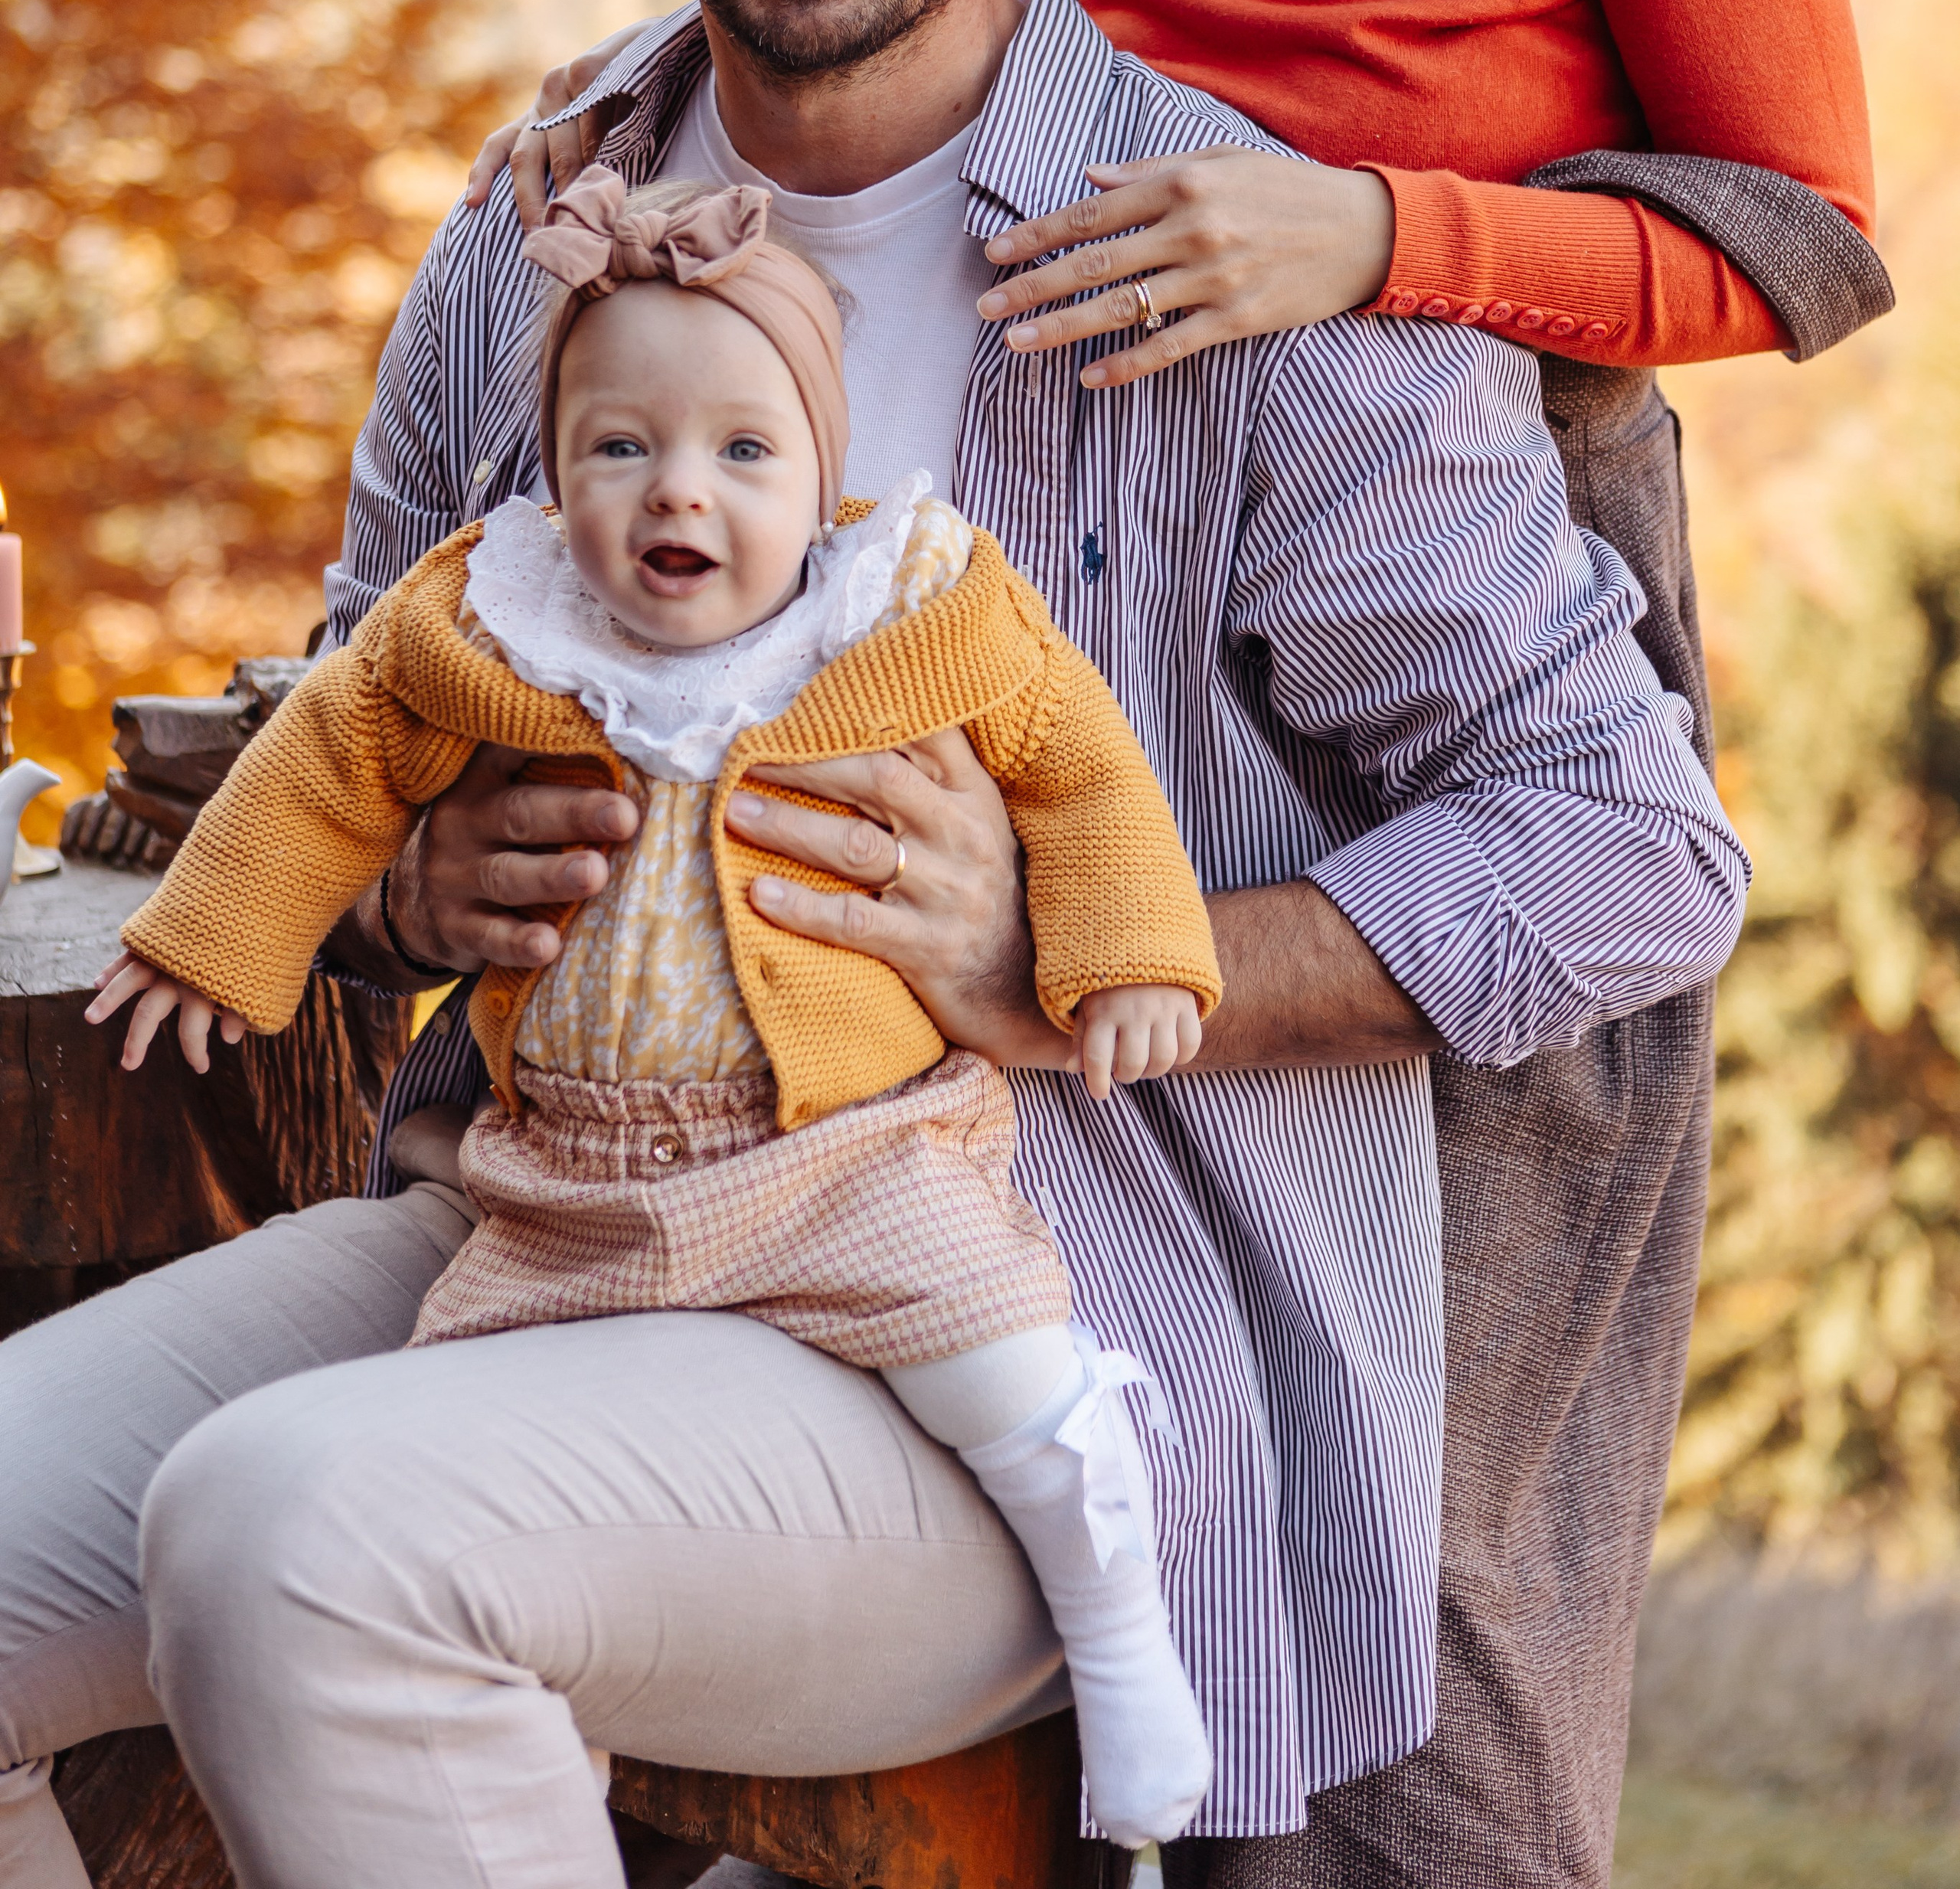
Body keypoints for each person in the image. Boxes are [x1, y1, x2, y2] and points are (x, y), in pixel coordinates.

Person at [0, 0, 1744, 1889]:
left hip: (1014, 1330)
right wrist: (414, 875)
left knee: (299, 1539)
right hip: (544, 1226)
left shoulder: (1219, 254)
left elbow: (1632, 847)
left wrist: (1082, 964)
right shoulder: (536, 240)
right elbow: (354, 704)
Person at [484, 0, 1892, 1888]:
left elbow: (1816, 244)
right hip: (1140, 680)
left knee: (1433, 1600)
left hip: (1475, 664)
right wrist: (637, 135)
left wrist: (1379, 232)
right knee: (1141, 1498)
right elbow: (912, 35)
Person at [88, 167, 1222, 1850]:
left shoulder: (905, 613)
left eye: (742, 455)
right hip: (567, 1183)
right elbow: (327, 753)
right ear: (555, 472)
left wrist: (1119, 957)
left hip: (845, 1158)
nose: (675, 492)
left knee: (1005, 1367)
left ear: (821, 479)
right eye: (620, 448)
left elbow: (1084, 770)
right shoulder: (495, 621)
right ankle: (532, 1749)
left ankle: (1119, 1617)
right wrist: (220, 938)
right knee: (431, 1438)